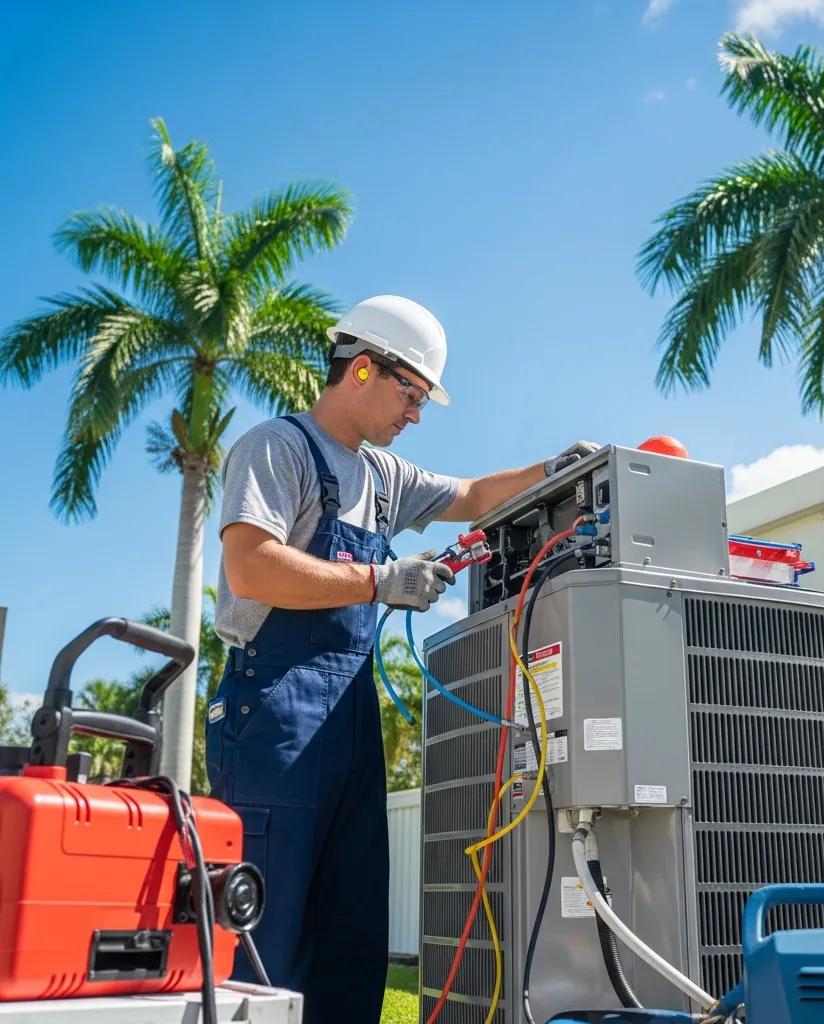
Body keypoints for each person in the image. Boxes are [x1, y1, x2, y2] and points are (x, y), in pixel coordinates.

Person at [206, 294, 598, 1024]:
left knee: (351, 932)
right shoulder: (277, 448)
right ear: (362, 369)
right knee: (263, 931)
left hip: (350, 716)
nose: (415, 415)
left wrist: (554, 468)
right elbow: (251, 567)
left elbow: (472, 495)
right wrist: (379, 580)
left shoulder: (383, 476)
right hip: (273, 716)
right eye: (411, 394)